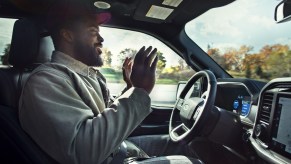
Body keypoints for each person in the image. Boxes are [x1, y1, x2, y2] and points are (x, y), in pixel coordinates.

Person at [18, 0, 199, 164]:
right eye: (93, 31)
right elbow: (85, 151)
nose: (101, 39)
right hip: (110, 158)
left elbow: (105, 119)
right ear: (68, 35)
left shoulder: (85, 75)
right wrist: (139, 91)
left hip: (120, 149)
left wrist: (130, 88)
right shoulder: (46, 81)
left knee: (187, 144)